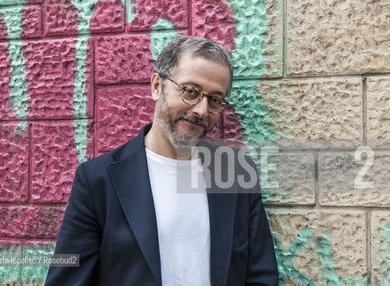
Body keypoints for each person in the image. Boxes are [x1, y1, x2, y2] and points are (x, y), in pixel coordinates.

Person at [45, 36, 279, 285]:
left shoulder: (235, 172)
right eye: (191, 91)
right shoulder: (97, 181)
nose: (201, 110)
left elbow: (261, 275)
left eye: (214, 99)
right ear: (157, 86)